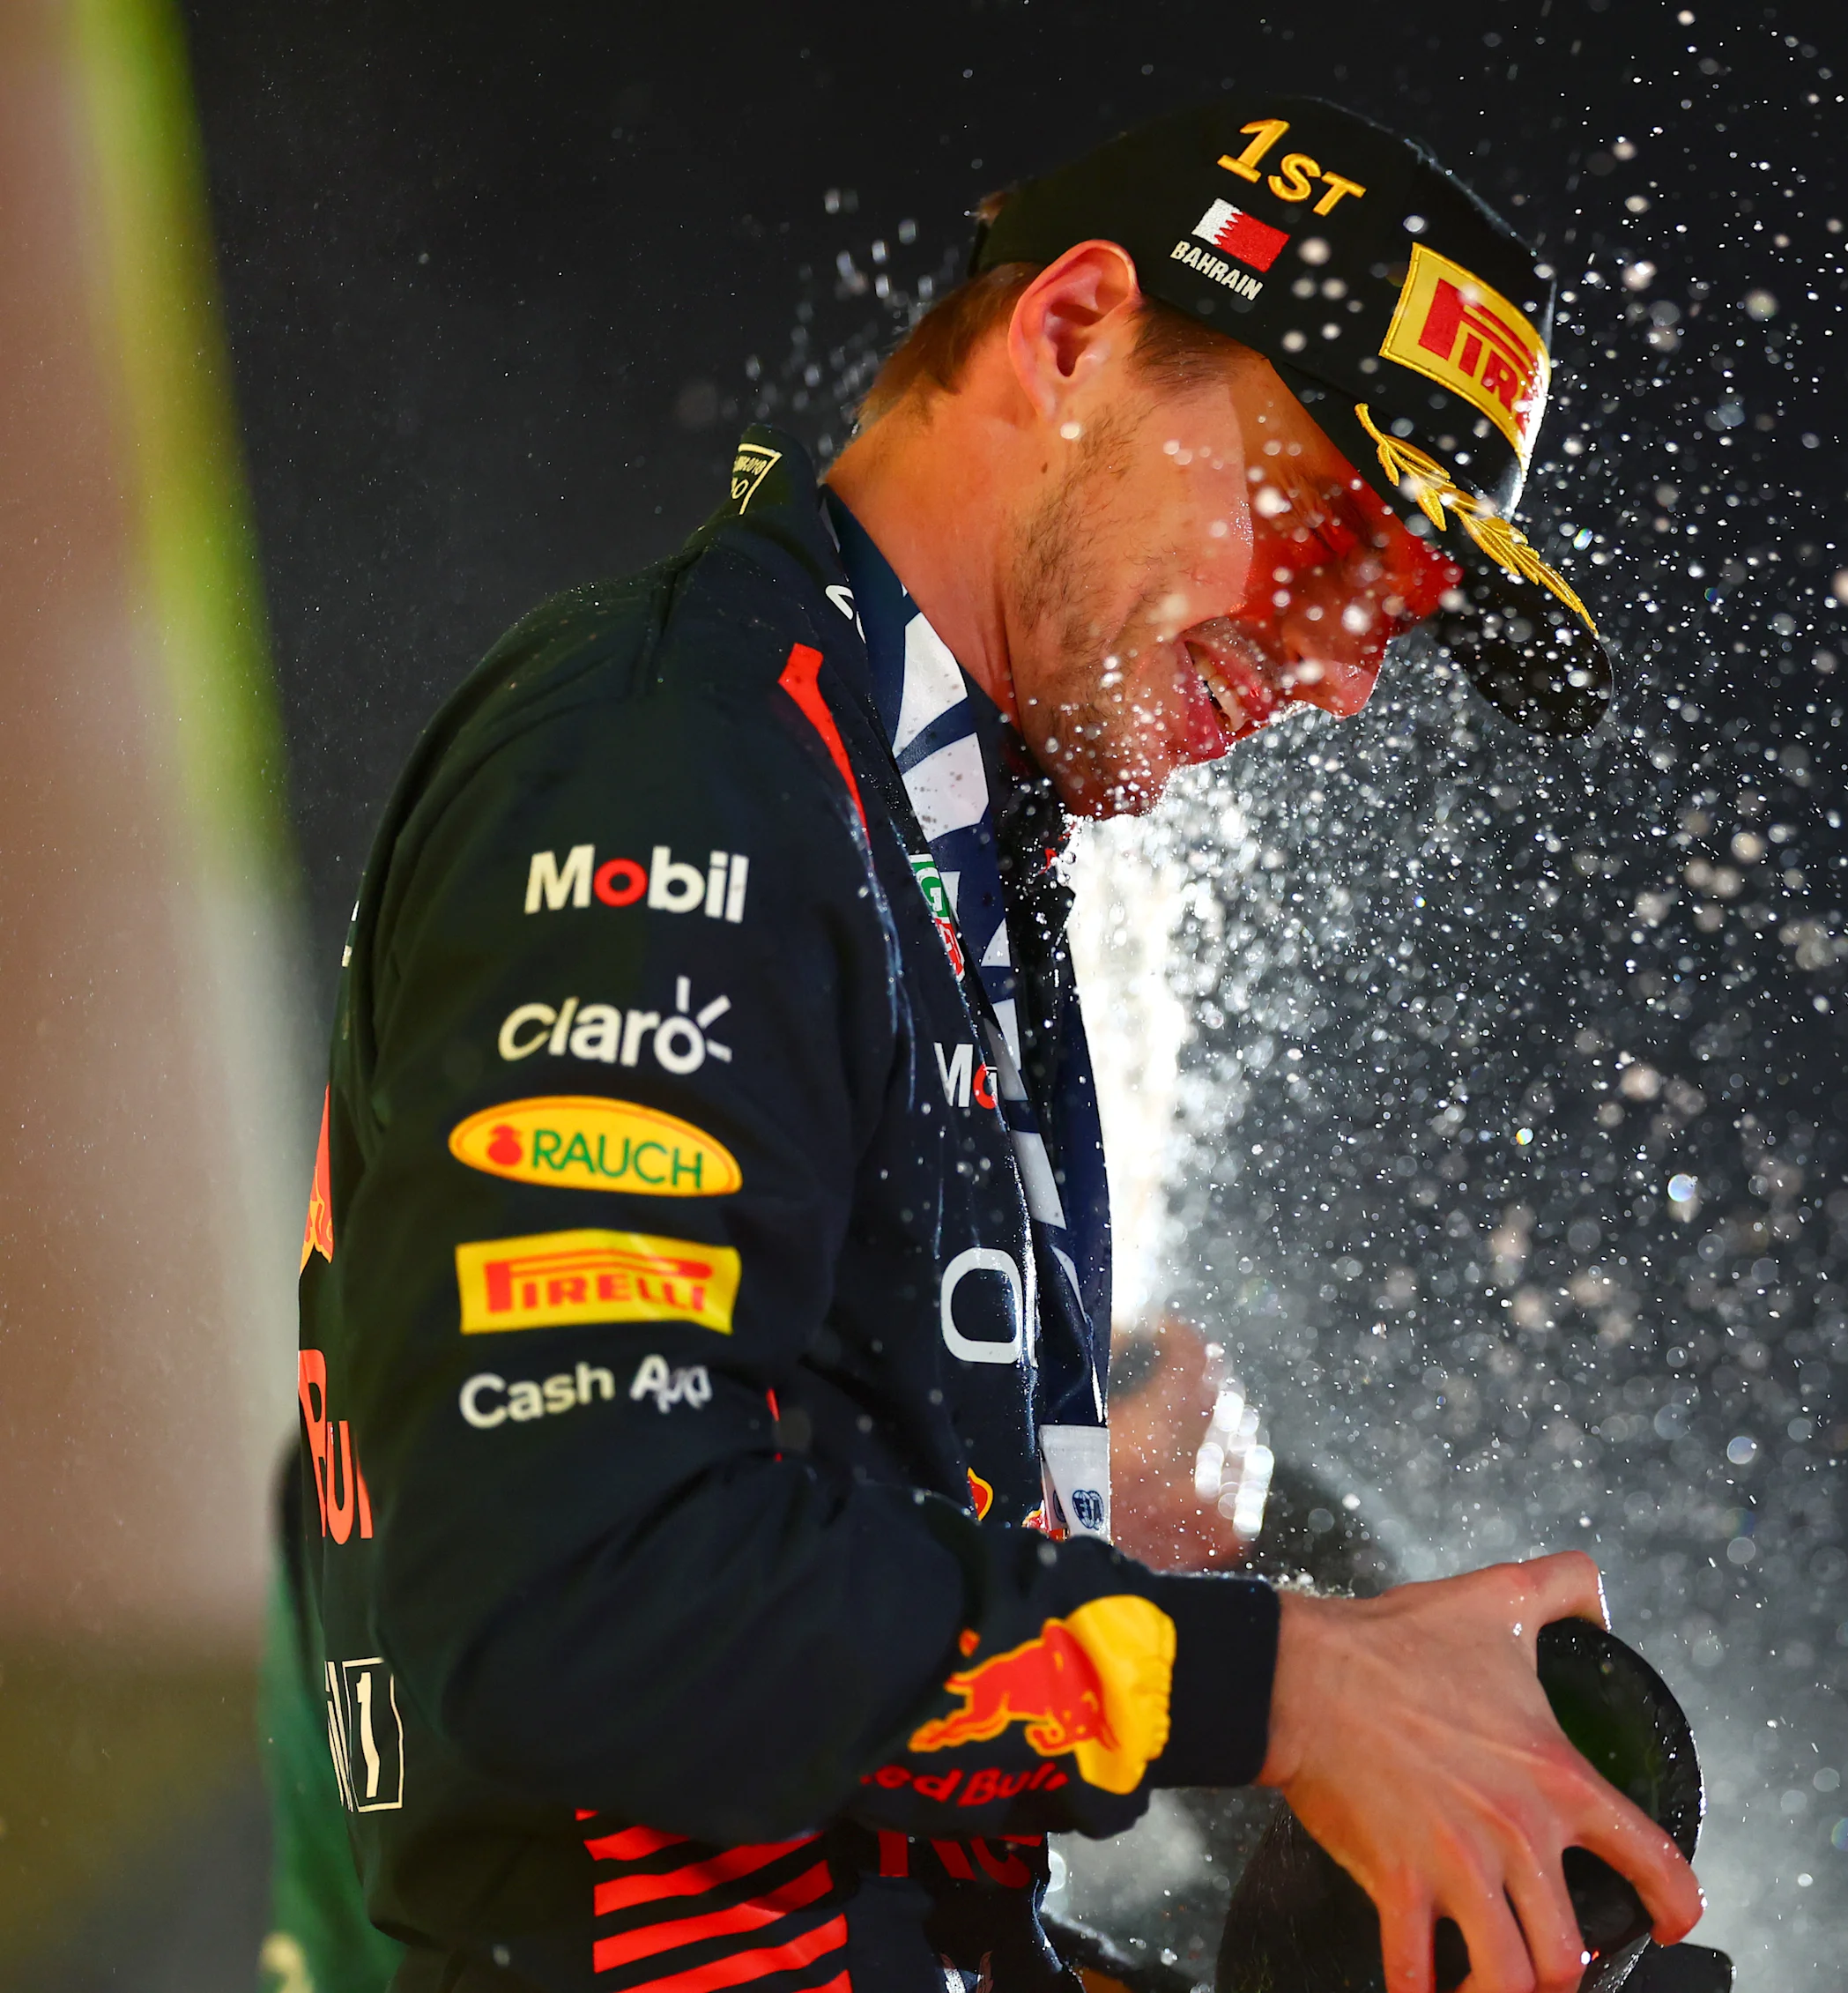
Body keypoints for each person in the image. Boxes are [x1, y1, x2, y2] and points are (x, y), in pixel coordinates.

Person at [275, 96, 1691, 1993]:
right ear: (1073, 329)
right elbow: (568, 1609)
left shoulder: (925, 822)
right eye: (1334, 530)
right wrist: (1284, 1689)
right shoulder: (676, 751)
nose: (1345, 670)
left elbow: (875, 1882)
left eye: (1401, 622)